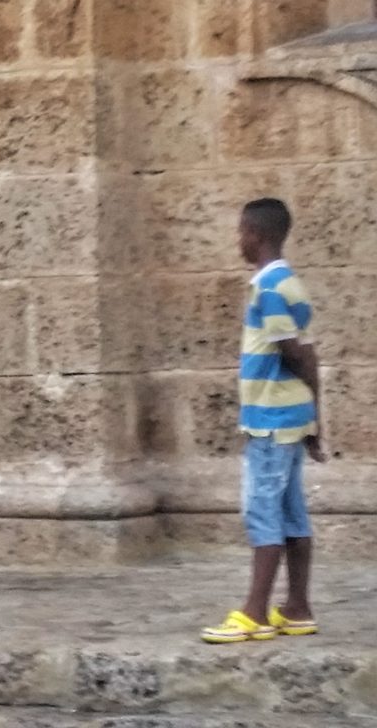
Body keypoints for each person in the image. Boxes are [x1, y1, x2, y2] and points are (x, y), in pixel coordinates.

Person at [202, 198, 325, 644]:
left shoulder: (269, 287)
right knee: (292, 511)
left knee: (263, 510)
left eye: (241, 232)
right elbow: (307, 355)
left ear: (256, 234)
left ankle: (254, 611)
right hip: (290, 415)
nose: (238, 240)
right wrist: (315, 418)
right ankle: (296, 608)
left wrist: (314, 415)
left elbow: (295, 352)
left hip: (271, 419)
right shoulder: (288, 282)